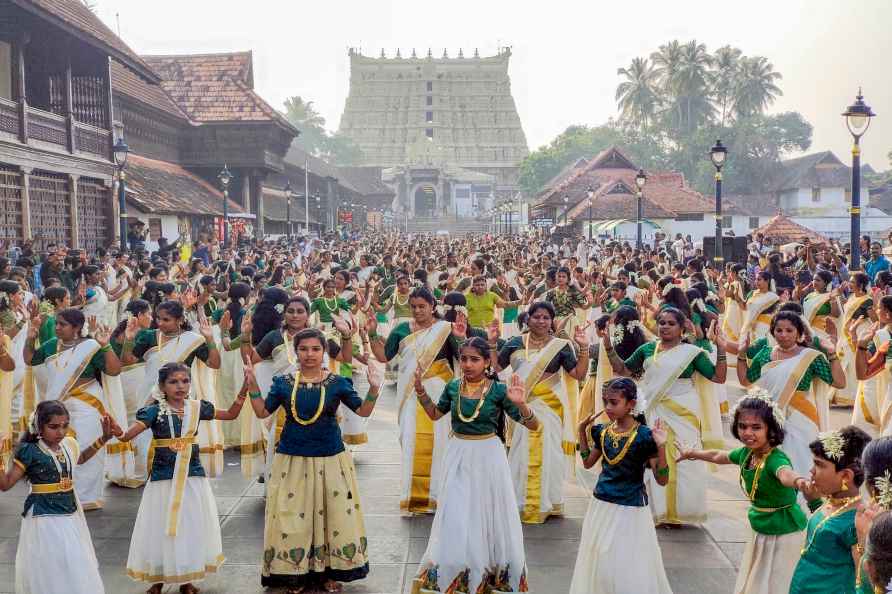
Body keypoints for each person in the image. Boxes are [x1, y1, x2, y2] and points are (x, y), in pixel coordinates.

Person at [243, 328, 382, 593]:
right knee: (291, 516)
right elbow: (262, 411)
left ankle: (328, 573)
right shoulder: (283, 382)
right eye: (304, 349)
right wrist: (251, 384)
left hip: (330, 457)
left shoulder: (338, 383)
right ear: (296, 352)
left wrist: (374, 388)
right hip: (292, 457)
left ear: (324, 353)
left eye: (315, 349)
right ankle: (296, 573)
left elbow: (363, 410)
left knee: (333, 515)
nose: (309, 354)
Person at [411, 337, 534, 594]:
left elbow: (533, 426)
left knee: (486, 511)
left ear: (487, 362)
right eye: (464, 358)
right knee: (456, 510)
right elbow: (435, 415)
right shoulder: (453, 386)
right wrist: (421, 392)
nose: (468, 364)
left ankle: (486, 571)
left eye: (475, 359)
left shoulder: (499, 390)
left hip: (488, 455)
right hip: (458, 453)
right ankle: (459, 569)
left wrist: (521, 403)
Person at [114, 362, 249, 594]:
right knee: (159, 525)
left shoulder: (197, 407)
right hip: (163, 478)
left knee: (190, 525)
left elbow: (230, 414)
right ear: (162, 386)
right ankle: (157, 580)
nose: (180, 386)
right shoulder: (154, 411)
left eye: (185, 381)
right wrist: (115, 432)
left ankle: (187, 579)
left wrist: (246, 387)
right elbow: (127, 436)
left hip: (192, 476)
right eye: (173, 382)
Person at [600, 307, 727, 525]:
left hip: (683, 413)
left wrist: (722, 349)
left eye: (671, 323)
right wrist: (609, 346)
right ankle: (656, 510)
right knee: (652, 456)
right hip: (654, 412)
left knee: (685, 457)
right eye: (661, 322)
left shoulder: (692, 353)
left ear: (681, 328)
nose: (665, 326)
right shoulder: (648, 349)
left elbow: (718, 376)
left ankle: (684, 511)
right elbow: (623, 370)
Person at [678, 396, 816, 594]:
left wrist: (798, 481)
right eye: (742, 426)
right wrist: (693, 453)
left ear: (771, 429)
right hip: (761, 526)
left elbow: (784, 473)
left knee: (779, 580)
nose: (748, 433)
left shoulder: (775, 458)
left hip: (785, 530)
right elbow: (719, 455)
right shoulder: (747, 453)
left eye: (756, 427)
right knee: (759, 577)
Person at [365, 288, 473, 514]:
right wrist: (373, 334)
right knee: (411, 440)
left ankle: (439, 495)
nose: (417, 310)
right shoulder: (402, 330)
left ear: (433, 306)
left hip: (439, 395)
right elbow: (384, 356)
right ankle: (414, 497)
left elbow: (463, 359)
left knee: (441, 443)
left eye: (422, 306)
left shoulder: (445, 329)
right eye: (413, 306)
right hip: (410, 395)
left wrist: (461, 337)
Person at [570, 378, 672, 594]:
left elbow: (662, 480)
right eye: (605, 401)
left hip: (631, 509)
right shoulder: (602, 431)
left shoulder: (645, 436)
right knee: (601, 559)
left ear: (631, 404)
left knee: (625, 561)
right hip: (601, 505)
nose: (607, 407)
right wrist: (582, 432)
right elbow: (588, 463)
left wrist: (661, 446)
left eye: (613, 402)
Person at [0, 400, 114, 594]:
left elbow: (81, 458)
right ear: (39, 426)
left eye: (64, 426)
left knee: (74, 558)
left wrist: (103, 438)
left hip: (70, 514)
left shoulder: (68, 445)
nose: (60, 432)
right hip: (44, 516)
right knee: (51, 562)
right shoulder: (30, 450)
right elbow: (6, 484)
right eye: (53, 427)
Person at [492, 301, 589, 523]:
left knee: (549, 453)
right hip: (522, 407)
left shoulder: (561, 345)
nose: (541, 321)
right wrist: (491, 343)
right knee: (520, 451)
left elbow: (578, 374)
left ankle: (547, 501)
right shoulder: (515, 342)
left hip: (549, 407)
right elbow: (497, 368)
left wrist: (583, 347)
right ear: (528, 319)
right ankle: (520, 501)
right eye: (536, 317)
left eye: (546, 317)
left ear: (551, 321)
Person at [25, 308, 125, 509]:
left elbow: (114, 370)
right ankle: (58, 491)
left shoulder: (91, 346)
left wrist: (105, 346)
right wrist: (30, 338)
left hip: (88, 406)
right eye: (56, 324)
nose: (57, 328)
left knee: (88, 448)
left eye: (62, 324)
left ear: (77, 327)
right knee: (56, 448)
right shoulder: (50, 345)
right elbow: (30, 360)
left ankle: (87, 497)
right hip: (58, 407)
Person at [789, 426, 872, 594]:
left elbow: (862, 580)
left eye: (819, 465)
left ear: (846, 477)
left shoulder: (855, 521)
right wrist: (813, 502)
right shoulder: (833, 502)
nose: (811, 471)